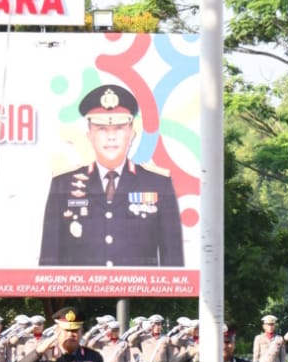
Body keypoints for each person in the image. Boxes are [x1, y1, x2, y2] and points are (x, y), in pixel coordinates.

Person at [38, 82, 184, 268]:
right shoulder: (63, 183)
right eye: (102, 129)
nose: (111, 137)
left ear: (132, 133)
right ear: (89, 134)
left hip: (139, 296)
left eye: (119, 128)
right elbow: (49, 260)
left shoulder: (158, 183)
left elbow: (173, 262)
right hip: (80, 295)